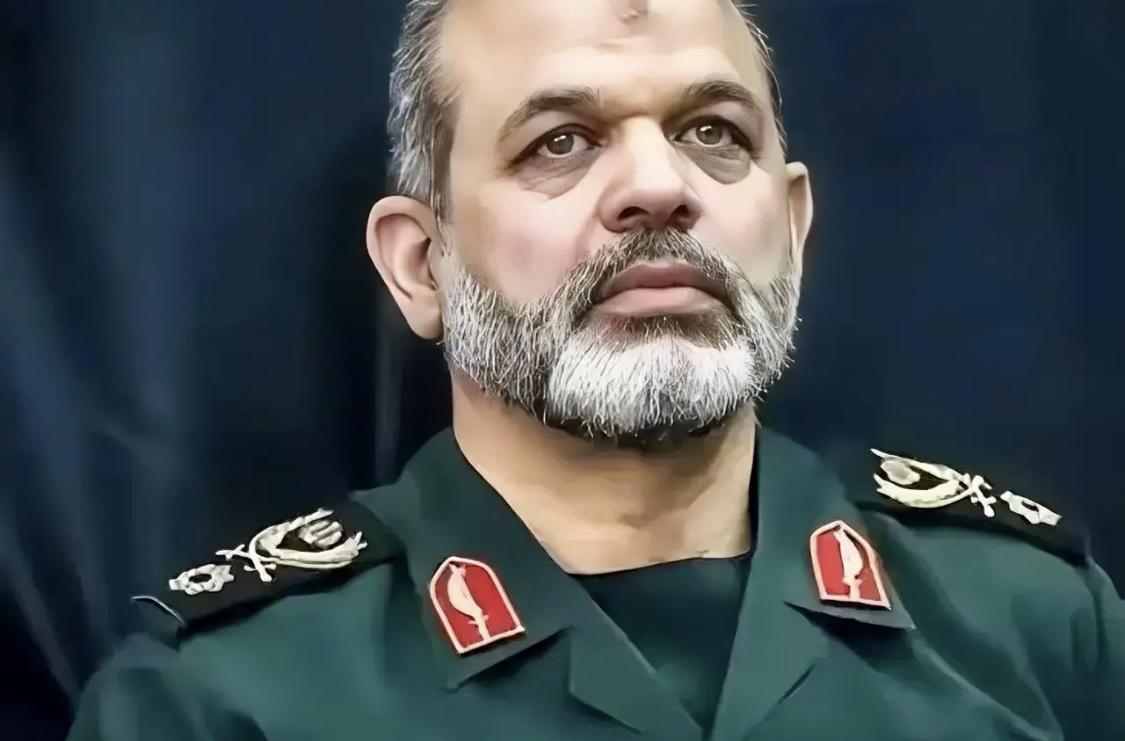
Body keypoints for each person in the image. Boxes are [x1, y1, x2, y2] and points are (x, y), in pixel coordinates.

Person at [68, 0, 1124, 739]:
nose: (660, 187)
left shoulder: (1035, 625)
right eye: (561, 142)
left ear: (793, 230)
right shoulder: (218, 703)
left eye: (713, 132)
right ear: (421, 264)